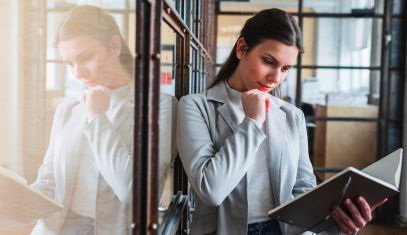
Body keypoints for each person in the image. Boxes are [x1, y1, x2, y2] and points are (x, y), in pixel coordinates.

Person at [177, 8, 386, 235]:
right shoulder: (195, 106)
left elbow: (303, 191)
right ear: (241, 48)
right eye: (269, 61)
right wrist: (252, 122)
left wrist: (339, 224)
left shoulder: (292, 116)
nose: (276, 78)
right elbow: (211, 190)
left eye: (285, 68)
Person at [28, 5, 134, 234]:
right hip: (58, 228)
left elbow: (129, 188)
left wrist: (97, 116)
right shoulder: (68, 109)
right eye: (69, 64)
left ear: (115, 46)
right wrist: (14, 200)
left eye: (86, 57)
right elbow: (49, 182)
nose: (78, 73)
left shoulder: (157, 107)